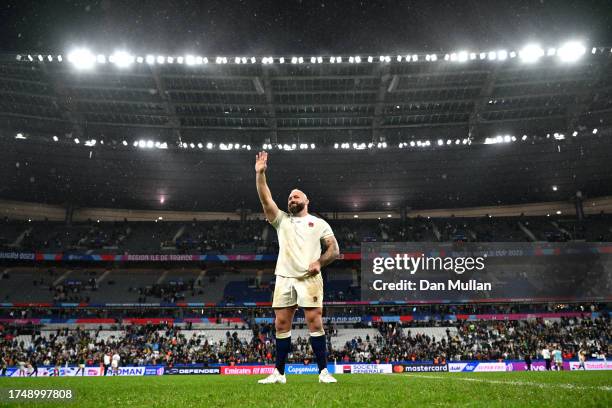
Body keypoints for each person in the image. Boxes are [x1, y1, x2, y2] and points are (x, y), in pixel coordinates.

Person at [254, 151, 340, 384]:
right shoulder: (281, 220)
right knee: (281, 324)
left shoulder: (319, 223)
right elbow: (265, 200)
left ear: (306, 201)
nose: (291, 200)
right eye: (290, 198)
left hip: (309, 278)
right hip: (284, 277)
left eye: (296, 197)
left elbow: (334, 250)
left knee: (315, 322)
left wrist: (319, 262)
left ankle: (323, 372)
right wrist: (260, 174)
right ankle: (279, 373)